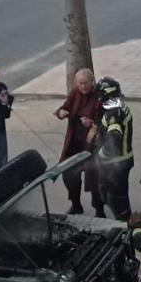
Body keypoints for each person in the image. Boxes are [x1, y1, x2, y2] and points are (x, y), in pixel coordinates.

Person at [54, 68, 103, 215]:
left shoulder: (98, 97)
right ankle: (76, 205)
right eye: (80, 83)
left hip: (92, 146)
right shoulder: (75, 94)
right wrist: (61, 113)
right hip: (74, 144)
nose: (83, 87)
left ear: (92, 82)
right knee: (69, 174)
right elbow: (64, 108)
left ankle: (99, 209)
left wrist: (92, 123)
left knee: (94, 178)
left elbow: (104, 122)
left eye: (86, 83)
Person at [95, 76, 135, 220]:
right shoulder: (119, 108)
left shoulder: (113, 114)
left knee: (118, 199)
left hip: (117, 163)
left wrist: (101, 154)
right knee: (114, 195)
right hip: (123, 160)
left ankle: (126, 228)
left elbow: (114, 141)